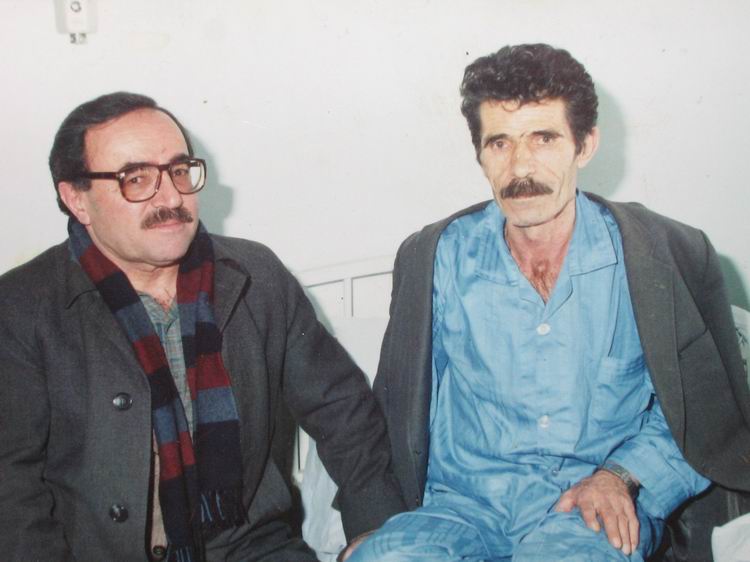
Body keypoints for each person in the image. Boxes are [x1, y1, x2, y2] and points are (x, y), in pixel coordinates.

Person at [346, 44, 750, 561]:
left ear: (585, 145)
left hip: (593, 510)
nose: (521, 166)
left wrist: (622, 475)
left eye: (544, 138)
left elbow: (705, 418)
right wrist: (377, 528)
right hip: (463, 509)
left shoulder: (659, 256)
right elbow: (394, 415)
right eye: (500, 143)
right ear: (480, 155)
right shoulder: (435, 259)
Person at [0, 92, 405, 562]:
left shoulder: (256, 276)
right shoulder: (23, 307)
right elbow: (11, 487)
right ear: (77, 200)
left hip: (252, 550)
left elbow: (343, 412)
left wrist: (379, 535)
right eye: (136, 179)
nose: (172, 198)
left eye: (179, 170)